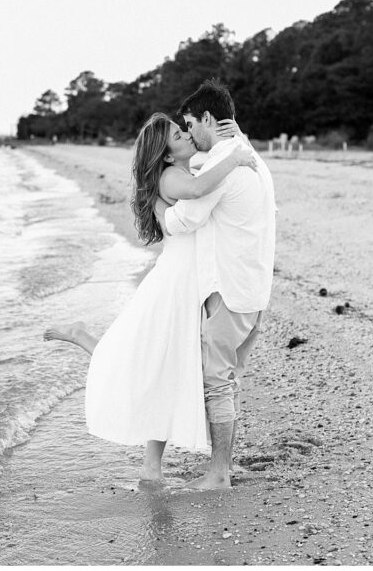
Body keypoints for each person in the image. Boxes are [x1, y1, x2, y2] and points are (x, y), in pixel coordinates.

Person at [43, 111, 256, 482]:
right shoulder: (174, 177)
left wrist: (236, 139)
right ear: (167, 153)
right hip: (175, 285)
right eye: (178, 134)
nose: (187, 135)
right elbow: (198, 190)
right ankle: (83, 336)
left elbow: (208, 171)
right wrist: (236, 158)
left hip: (187, 282)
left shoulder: (185, 169)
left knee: (164, 371)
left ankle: (151, 468)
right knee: (150, 365)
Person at [164, 79, 276, 490]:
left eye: (191, 123)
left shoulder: (223, 164)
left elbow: (185, 219)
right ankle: (224, 464)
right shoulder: (249, 156)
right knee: (228, 380)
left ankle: (219, 473)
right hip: (254, 289)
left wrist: (158, 208)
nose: (189, 133)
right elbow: (205, 170)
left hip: (229, 290)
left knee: (217, 383)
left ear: (209, 118)